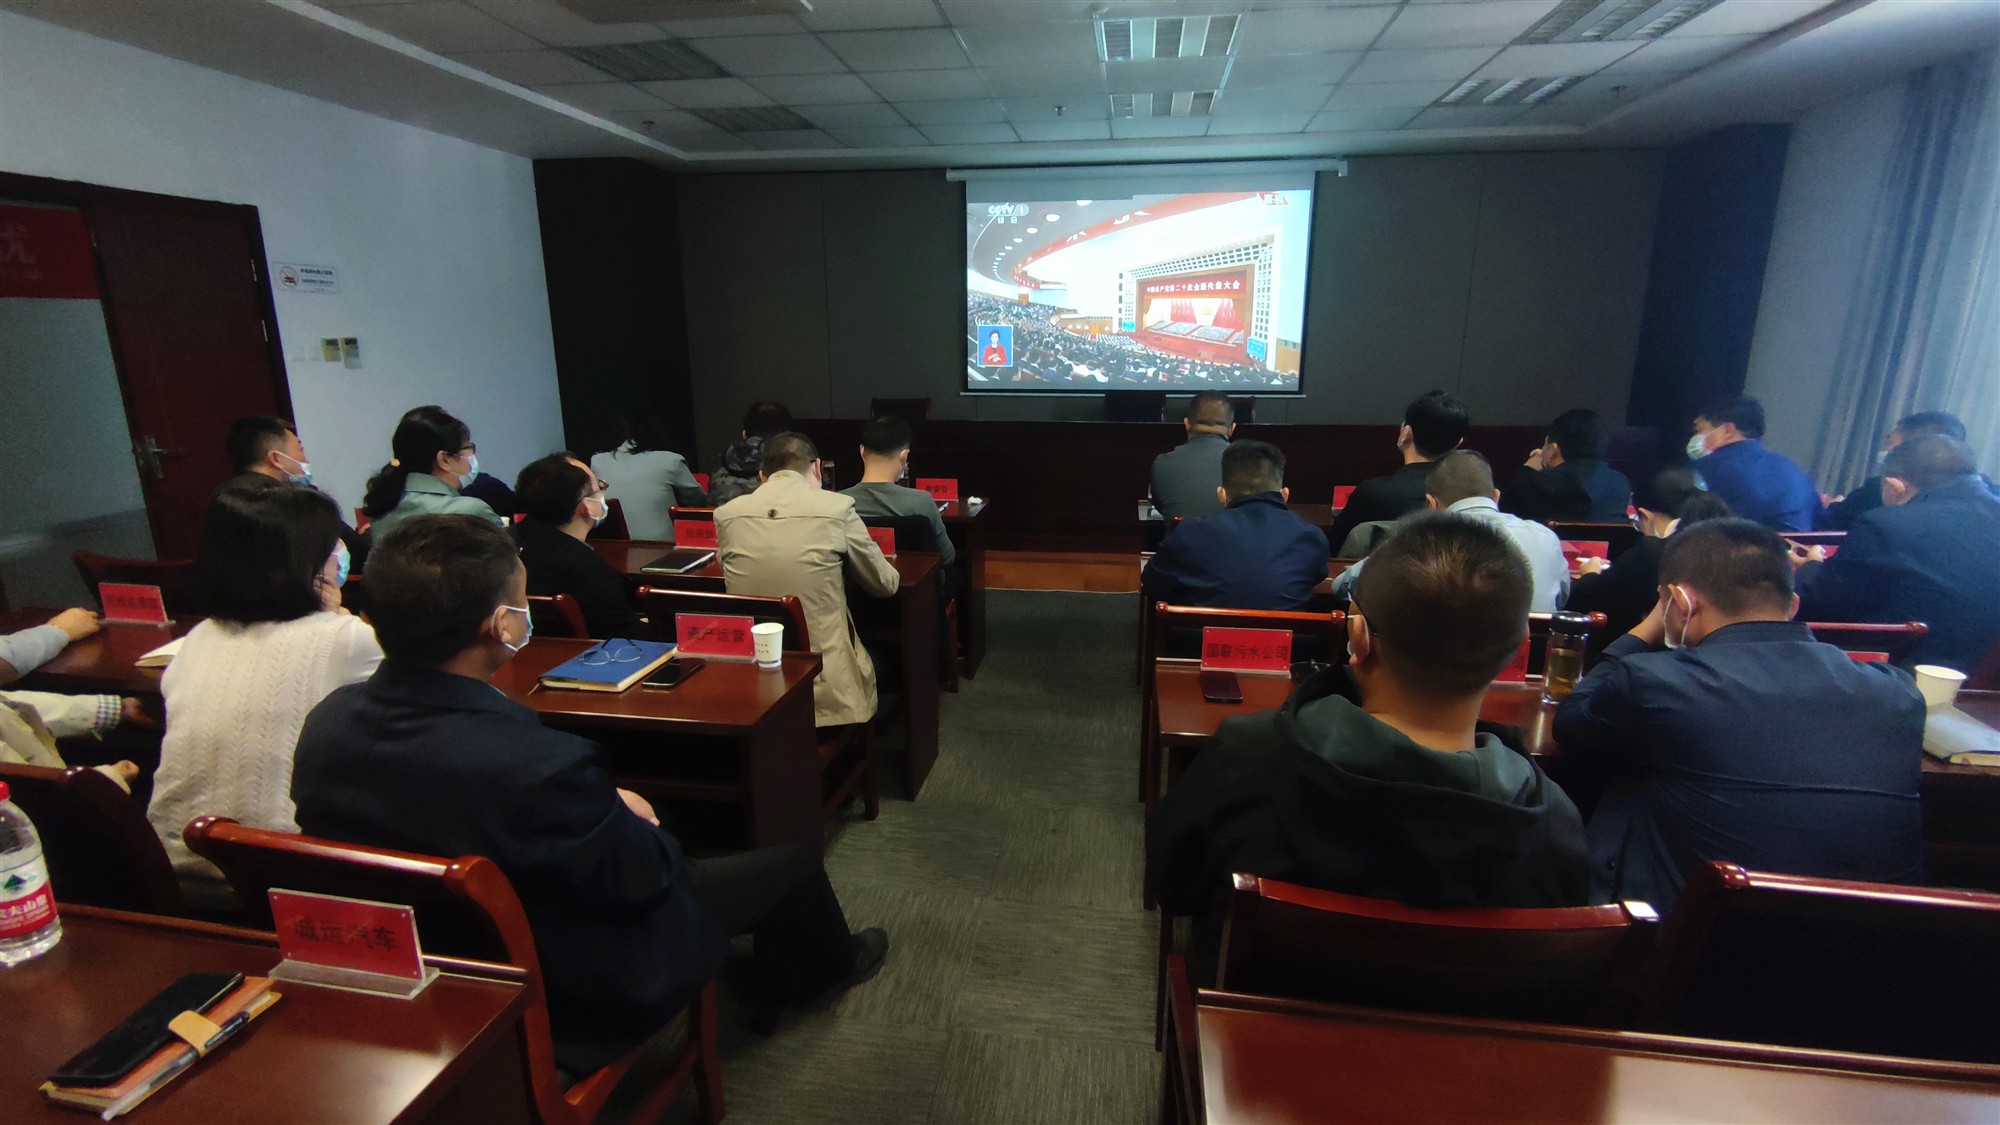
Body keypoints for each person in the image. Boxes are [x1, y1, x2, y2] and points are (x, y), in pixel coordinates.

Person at [292, 515, 886, 1074]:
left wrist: (600, 807)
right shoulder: (541, 765)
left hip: (423, 955)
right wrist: (634, 824)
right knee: (791, 865)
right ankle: (830, 969)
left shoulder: (327, 724)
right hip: (566, 971)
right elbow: (646, 879)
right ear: (501, 626)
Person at [1148, 513, 1591, 959]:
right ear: (1517, 649)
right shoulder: (1554, 823)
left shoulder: (1248, 757)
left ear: (1358, 637)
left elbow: (1174, 886)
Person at [1553, 519, 1925, 915]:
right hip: (1877, 941)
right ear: (1792, 605)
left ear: (1679, 603)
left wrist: (1643, 630)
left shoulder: (1659, 682)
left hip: (1702, 943)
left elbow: (1572, 723)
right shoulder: (1898, 692)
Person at [148, 479, 381, 901]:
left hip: (168, 868)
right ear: (303, 563)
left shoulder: (199, 637)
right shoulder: (347, 638)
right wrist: (339, 617)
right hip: (279, 875)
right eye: (329, 546)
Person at [718, 433, 899, 728]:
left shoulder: (727, 515)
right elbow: (885, 584)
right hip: (825, 685)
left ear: (763, 476)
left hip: (754, 681)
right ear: (817, 467)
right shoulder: (837, 508)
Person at [1795, 435, 2000, 672]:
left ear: (1894, 486)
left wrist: (1810, 567)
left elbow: (1821, 605)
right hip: (1980, 680)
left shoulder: (1885, 525)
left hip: (1890, 674)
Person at [1333, 451, 1569, 613]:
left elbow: (1344, 586)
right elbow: (1562, 597)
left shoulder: (1418, 538)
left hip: (1442, 665)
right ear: (1496, 497)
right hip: (1532, 664)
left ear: (1430, 504)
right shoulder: (1546, 538)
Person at [1140, 441, 1329, 610]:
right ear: (1284, 495)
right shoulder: (1311, 538)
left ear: (1222, 495)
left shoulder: (1189, 533)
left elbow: (1152, 583)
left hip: (1196, 638)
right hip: (1286, 638)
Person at [1564, 469, 1733, 650]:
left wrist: (1589, 575)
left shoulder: (1653, 551)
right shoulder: (1734, 551)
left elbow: (1579, 599)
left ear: (1646, 516)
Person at [0, 609, 142, 789]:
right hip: (60, 798)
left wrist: (115, 709)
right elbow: (28, 791)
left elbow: (9, 707)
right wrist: (108, 779)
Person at [512, 454, 646, 640]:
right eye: (599, 488)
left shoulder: (508, 543)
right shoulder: (590, 572)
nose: (602, 494)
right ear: (587, 506)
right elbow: (629, 635)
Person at [1326, 389, 1470, 554]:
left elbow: (1334, 548)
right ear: (1458, 443)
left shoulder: (1374, 494)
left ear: (1405, 433)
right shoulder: (1467, 497)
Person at [221, 414, 367, 569]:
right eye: (300, 450)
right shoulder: (300, 503)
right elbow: (361, 553)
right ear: (276, 458)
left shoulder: (223, 501)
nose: (306, 460)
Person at [1819, 411, 1985, 530]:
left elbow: (1826, 526)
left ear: (1915, 448)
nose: (1884, 451)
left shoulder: (1883, 489)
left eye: (1889, 442)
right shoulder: (1984, 502)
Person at [360, 406, 504, 537]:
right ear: (444, 460)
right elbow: (507, 557)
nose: (471, 455)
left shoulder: (384, 507)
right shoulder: (472, 512)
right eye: (467, 448)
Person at [1685, 396, 1822, 532]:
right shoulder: (1795, 471)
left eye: (1699, 430)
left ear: (1727, 430)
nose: (1696, 438)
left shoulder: (1709, 468)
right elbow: (1820, 523)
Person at [841, 415, 955, 569]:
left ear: (862, 451)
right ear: (904, 456)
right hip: (914, 583)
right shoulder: (922, 502)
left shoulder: (838, 502)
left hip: (855, 584)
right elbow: (947, 557)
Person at [591, 409, 709, 542]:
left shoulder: (597, 462)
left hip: (608, 548)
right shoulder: (671, 461)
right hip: (660, 549)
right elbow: (698, 503)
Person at [1500, 408, 1633, 523]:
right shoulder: (1620, 485)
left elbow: (1504, 518)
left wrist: (1527, 469)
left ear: (1553, 449)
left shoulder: (1530, 484)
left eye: (1545, 445)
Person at [1149, 392, 1235, 521]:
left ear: (1187, 423)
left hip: (1182, 534)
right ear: (1232, 428)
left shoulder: (1162, 464)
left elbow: (1161, 507)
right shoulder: (1250, 464)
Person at [710, 402, 793, 506]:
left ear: (744, 434)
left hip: (721, 516)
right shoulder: (794, 460)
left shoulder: (720, 459)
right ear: (788, 436)